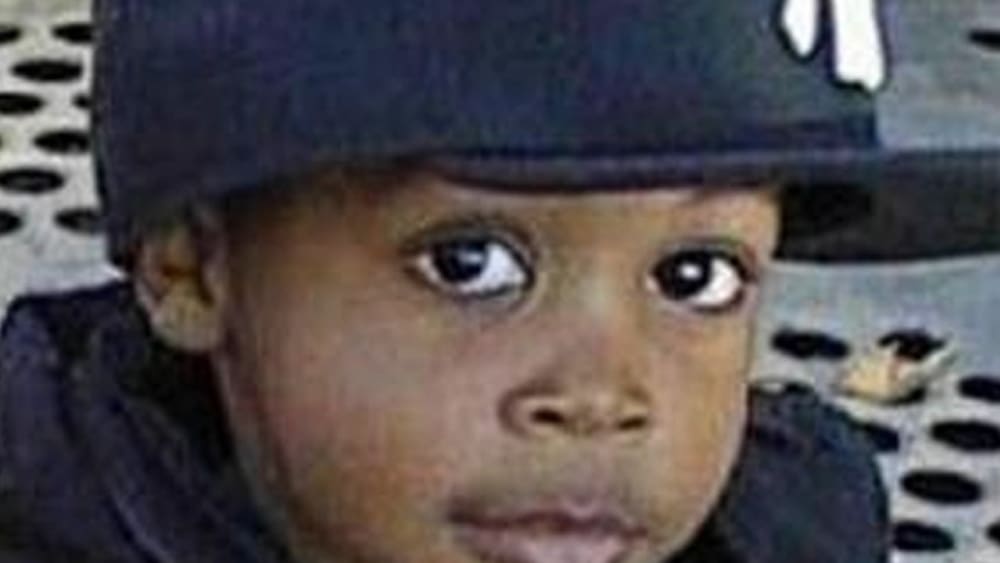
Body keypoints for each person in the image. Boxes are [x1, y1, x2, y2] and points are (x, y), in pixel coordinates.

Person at [3, 0, 998, 562]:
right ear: (190, 266)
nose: (601, 394)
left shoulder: (782, 535)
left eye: (694, 276)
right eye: (469, 263)